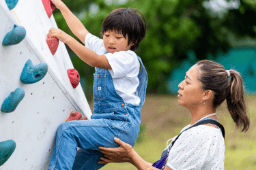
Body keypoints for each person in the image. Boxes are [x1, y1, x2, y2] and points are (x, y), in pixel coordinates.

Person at [47, 0, 147, 170]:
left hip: (119, 126)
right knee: (76, 167)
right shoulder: (104, 47)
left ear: (132, 41)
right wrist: (61, 6)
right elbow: (81, 31)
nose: (110, 41)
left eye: (118, 37)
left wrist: (66, 39)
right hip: (104, 125)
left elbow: (96, 60)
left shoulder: (127, 58)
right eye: (106, 35)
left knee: (67, 131)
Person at [98, 60, 250, 170]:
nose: (180, 85)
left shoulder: (201, 134)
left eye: (188, 82)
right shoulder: (200, 129)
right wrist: (130, 156)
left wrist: (131, 156)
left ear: (206, 94)